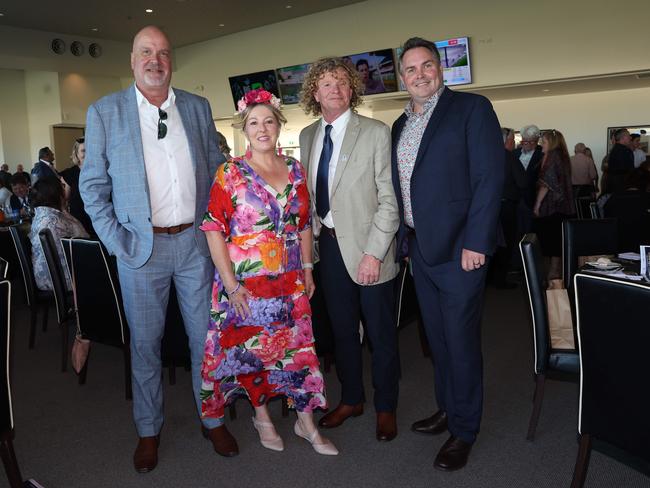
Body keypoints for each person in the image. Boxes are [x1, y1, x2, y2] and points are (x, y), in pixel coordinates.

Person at [79, 26, 228, 474]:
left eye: (163, 52)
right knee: (146, 345)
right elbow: (92, 188)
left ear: (171, 61)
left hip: (195, 245)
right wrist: (118, 243)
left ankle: (213, 417)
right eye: (146, 52)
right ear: (132, 60)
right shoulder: (106, 112)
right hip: (139, 250)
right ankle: (148, 430)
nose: (155, 60)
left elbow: (220, 173)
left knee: (207, 341)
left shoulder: (198, 108)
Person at [201, 88, 337, 456]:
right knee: (254, 351)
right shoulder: (230, 172)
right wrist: (230, 286)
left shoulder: (294, 168)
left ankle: (305, 421)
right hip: (246, 282)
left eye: (269, 122)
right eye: (254, 123)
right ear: (244, 128)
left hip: (291, 279)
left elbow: (304, 224)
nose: (263, 129)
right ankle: (261, 415)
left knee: (299, 349)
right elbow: (213, 228)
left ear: (279, 126)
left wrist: (308, 268)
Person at [391, 37, 503, 471]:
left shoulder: (471, 110)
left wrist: (477, 242)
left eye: (427, 66)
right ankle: (447, 409)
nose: (420, 75)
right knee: (436, 340)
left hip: (461, 251)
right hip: (420, 249)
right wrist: (405, 243)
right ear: (402, 77)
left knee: (459, 342)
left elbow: (489, 178)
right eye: (411, 70)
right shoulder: (400, 125)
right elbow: (405, 188)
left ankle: (465, 429)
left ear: (441, 69)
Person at [299, 57, 400, 441]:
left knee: (380, 335)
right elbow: (308, 201)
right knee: (342, 332)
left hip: (370, 252)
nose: (335, 89)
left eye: (341, 82)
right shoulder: (308, 136)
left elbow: (390, 201)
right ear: (314, 92)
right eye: (326, 83)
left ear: (352, 88)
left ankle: (386, 406)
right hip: (329, 251)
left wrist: (374, 253)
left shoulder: (375, 132)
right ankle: (352, 398)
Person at [28, 177, 88, 291]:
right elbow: (82, 239)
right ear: (54, 193)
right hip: (60, 280)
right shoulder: (53, 220)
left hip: (46, 277)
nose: (65, 189)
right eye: (63, 186)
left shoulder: (44, 214)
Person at [533, 130, 575, 280]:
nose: (540, 144)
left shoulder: (552, 156)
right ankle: (554, 273)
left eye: (543, 142)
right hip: (563, 205)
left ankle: (551, 274)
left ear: (551, 143)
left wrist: (537, 204)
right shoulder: (561, 155)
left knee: (550, 241)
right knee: (557, 240)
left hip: (552, 206)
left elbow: (546, 183)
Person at [491, 127, 526, 288]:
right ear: (506, 141)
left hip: (488, 208)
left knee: (490, 243)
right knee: (506, 243)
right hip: (506, 207)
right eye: (512, 140)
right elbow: (522, 182)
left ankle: (489, 279)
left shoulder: (485, 156)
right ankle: (500, 280)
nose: (514, 143)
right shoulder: (510, 158)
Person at [61, 138, 94, 235]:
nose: (86, 153)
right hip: (79, 219)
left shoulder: (98, 171)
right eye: (83, 151)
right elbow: (64, 199)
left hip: (97, 217)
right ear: (76, 153)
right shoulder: (69, 174)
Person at [606, 128, 634, 194]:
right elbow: (629, 170)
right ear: (623, 138)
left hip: (613, 186)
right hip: (623, 186)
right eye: (628, 136)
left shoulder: (614, 150)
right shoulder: (626, 151)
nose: (630, 138)